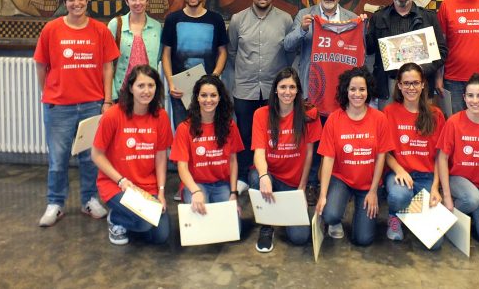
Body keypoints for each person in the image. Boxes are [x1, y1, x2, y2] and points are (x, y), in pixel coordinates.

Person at [34, 0, 119, 227]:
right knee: (58, 159)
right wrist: (48, 93)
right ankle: (55, 203)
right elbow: (41, 65)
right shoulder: (51, 29)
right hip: (59, 108)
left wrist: (106, 100)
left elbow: (107, 67)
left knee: (91, 158)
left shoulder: (100, 30)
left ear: (87, 1)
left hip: (92, 105)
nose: (76, 3)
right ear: (65, 3)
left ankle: (89, 200)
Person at [284, 0, 358, 202]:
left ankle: (338, 184)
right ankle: (312, 184)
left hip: (340, 93)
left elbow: (359, 49)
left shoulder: (351, 17)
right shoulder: (305, 15)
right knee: (313, 141)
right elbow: (287, 45)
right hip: (312, 90)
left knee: (337, 140)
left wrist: (362, 27)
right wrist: (302, 30)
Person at [91, 65, 172, 245]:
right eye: (141, 86)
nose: (146, 91)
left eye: (151, 86)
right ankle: (116, 218)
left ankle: (129, 218)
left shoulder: (161, 117)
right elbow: (96, 155)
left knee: (162, 235)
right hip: (116, 185)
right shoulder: (113, 115)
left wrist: (160, 191)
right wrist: (121, 181)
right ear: (130, 88)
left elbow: (160, 157)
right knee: (144, 223)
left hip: (146, 188)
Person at [315, 67, 394, 246]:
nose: (357, 94)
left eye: (362, 89)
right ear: (346, 91)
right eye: (352, 89)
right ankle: (335, 220)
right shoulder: (334, 119)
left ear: (368, 91)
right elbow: (327, 158)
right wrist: (323, 194)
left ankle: (360, 208)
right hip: (341, 179)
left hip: (367, 184)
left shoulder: (379, 119)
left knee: (363, 239)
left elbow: (382, 156)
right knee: (330, 213)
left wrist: (374, 191)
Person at [229, 0, 294, 189]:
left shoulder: (285, 20)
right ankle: (244, 178)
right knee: (245, 134)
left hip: (273, 91)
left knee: (272, 134)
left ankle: (268, 174)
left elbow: (290, 52)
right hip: (245, 88)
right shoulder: (238, 19)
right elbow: (232, 51)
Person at [250, 67, 322, 252]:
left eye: (292, 87)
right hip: (271, 178)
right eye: (283, 87)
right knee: (254, 177)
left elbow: (309, 155)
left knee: (300, 238)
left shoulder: (310, 114)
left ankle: (280, 211)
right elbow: (258, 151)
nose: (287, 92)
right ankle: (267, 226)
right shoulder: (261, 114)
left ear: (298, 90)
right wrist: (264, 175)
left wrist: (302, 188)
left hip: (294, 183)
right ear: (275, 89)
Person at [437, 73, 479, 244]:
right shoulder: (453, 122)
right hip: (457, 181)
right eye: (470, 95)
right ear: (464, 97)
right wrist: (446, 196)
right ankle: (444, 215)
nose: (475, 100)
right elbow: (442, 158)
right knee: (471, 198)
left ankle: (467, 214)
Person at [383, 63, 445, 242]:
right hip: (398, 175)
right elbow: (384, 151)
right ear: (399, 86)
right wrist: (399, 170)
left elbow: (440, 156)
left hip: (426, 177)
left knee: (436, 243)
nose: (411, 88)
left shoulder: (436, 114)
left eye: (415, 83)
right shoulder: (389, 112)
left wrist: (435, 187)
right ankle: (395, 217)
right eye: (407, 83)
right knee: (399, 195)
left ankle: (411, 215)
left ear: (423, 84)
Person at [366, 0, 447, 109]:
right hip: (389, 85)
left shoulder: (429, 17)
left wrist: (423, 69)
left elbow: (442, 51)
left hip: (421, 83)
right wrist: (362, 29)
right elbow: (369, 49)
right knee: (389, 126)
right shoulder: (378, 17)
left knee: (422, 126)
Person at [170, 75, 244, 223]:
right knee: (202, 223)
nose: (208, 100)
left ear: (220, 98)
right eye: (203, 95)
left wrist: (233, 193)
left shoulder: (230, 126)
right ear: (197, 97)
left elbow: (233, 162)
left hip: (222, 184)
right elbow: (182, 167)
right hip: (196, 184)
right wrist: (195, 191)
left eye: (213, 95)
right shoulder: (184, 128)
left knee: (233, 226)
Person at [161, 0, 228, 129]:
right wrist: (171, 83)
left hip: (208, 92)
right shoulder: (172, 20)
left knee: (208, 133)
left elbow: (223, 52)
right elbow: (166, 54)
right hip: (180, 91)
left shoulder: (216, 20)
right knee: (183, 133)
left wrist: (215, 77)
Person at [107, 0, 162, 101]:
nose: (138, 2)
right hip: (121, 92)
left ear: (147, 0)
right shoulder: (115, 25)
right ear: (126, 1)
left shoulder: (157, 27)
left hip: (148, 93)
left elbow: (157, 58)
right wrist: (110, 96)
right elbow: (107, 62)